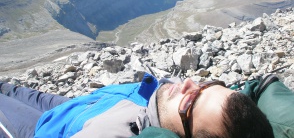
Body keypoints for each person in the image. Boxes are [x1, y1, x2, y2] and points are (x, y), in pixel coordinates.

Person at [0, 72, 281, 138]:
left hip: (44, 128)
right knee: (12, 89)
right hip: (83, 106)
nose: (187, 84)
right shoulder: (164, 109)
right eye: (206, 85)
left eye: (191, 100)